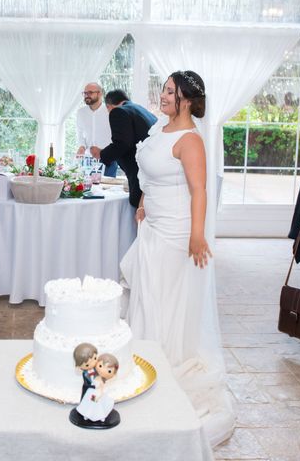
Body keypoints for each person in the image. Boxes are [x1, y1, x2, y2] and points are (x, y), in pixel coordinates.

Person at [120, 71, 234, 446]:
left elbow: (199, 190)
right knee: (146, 293)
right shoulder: (159, 129)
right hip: (152, 225)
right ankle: (143, 356)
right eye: (165, 90)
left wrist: (197, 234)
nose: (163, 96)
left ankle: (163, 365)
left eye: (170, 92)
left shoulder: (190, 140)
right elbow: (152, 176)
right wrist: (142, 200)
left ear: (186, 100)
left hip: (176, 231)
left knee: (165, 296)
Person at [89, 90, 157, 207]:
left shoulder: (118, 112)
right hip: (152, 172)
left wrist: (101, 154)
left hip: (139, 173)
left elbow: (122, 143)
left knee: (138, 209)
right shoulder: (142, 110)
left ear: (109, 106)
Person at [76, 82, 117, 177]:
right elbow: (80, 133)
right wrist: (82, 146)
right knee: (88, 189)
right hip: (88, 160)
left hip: (108, 158)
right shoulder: (81, 112)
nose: (87, 96)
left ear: (100, 93)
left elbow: (117, 136)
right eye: (85, 93)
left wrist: (105, 152)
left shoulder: (110, 111)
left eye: (90, 92)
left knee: (107, 190)